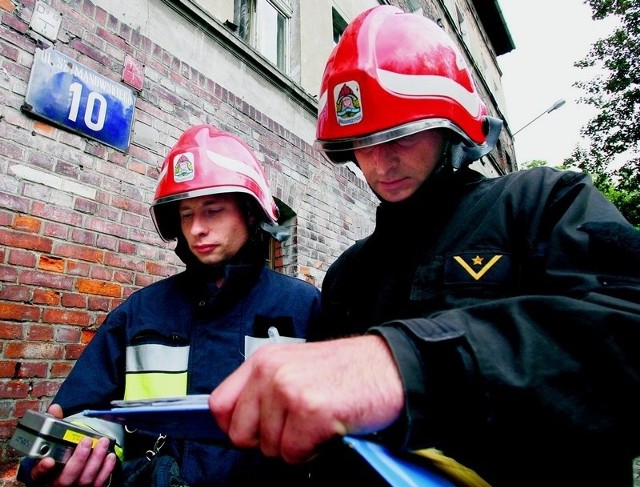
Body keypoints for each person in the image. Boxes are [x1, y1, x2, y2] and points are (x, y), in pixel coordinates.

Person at [208, 5, 640, 487]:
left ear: (449, 124)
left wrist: (404, 364)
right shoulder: (348, 275)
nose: (381, 161)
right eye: (363, 139)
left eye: (402, 132)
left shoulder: (541, 204)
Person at [17, 124, 321, 486]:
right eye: (187, 214)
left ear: (250, 213)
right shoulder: (140, 313)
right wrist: (64, 457)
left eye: (213, 210)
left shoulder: (303, 307)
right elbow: (86, 416)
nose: (196, 229)